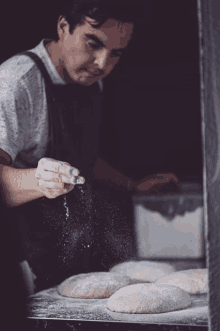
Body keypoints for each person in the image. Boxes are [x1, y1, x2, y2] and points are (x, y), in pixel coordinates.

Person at [0, 0, 180, 294]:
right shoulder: (15, 84)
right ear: (63, 28)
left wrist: (133, 186)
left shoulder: (89, 79)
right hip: (24, 264)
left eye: (116, 53)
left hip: (72, 255)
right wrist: (40, 180)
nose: (102, 64)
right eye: (93, 43)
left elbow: (80, 158)